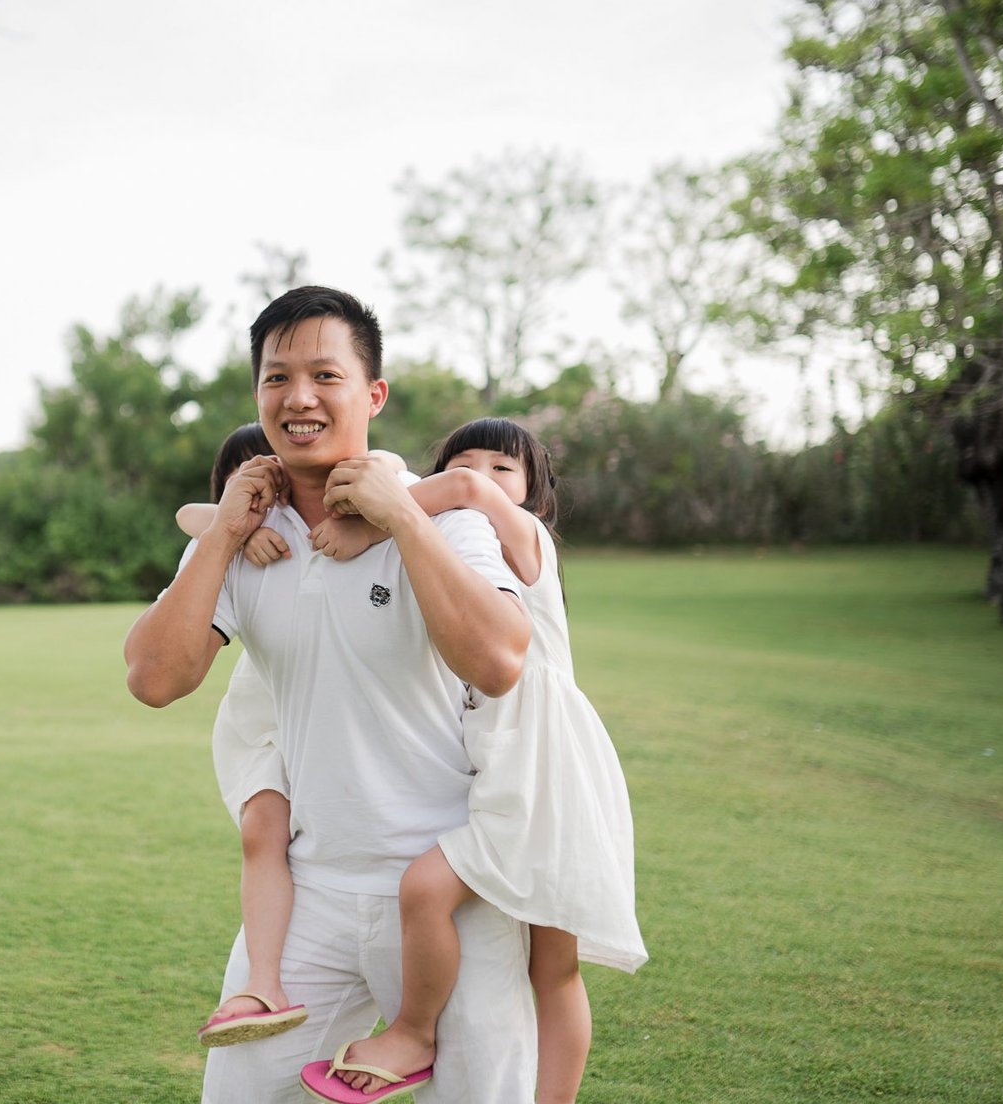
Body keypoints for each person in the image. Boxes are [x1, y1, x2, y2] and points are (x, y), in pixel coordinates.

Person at [125, 286, 539, 1103]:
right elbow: (154, 679)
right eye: (277, 378)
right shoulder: (246, 537)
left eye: (325, 374)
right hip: (308, 891)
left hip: (450, 888)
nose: (299, 398)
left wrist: (401, 518)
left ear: (373, 394)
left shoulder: (446, 520)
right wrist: (223, 536)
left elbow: (497, 659)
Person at [304, 418, 646, 1104]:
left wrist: (373, 523)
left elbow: (456, 489)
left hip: (538, 766)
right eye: (470, 464)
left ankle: (412, 1031)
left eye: (504, 470)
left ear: (535, 497)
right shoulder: (456, 561)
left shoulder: (528, 538)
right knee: (549, 965)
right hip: (522, 761)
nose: (482, 481)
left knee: (480, 921)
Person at [176, 424, 305, 1047]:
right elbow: (187, 513)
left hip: (322, 708)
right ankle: (264, 980)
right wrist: (241, 527)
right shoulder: (231, 534)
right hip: (262, 720)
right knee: (264, 829)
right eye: (243, 472)